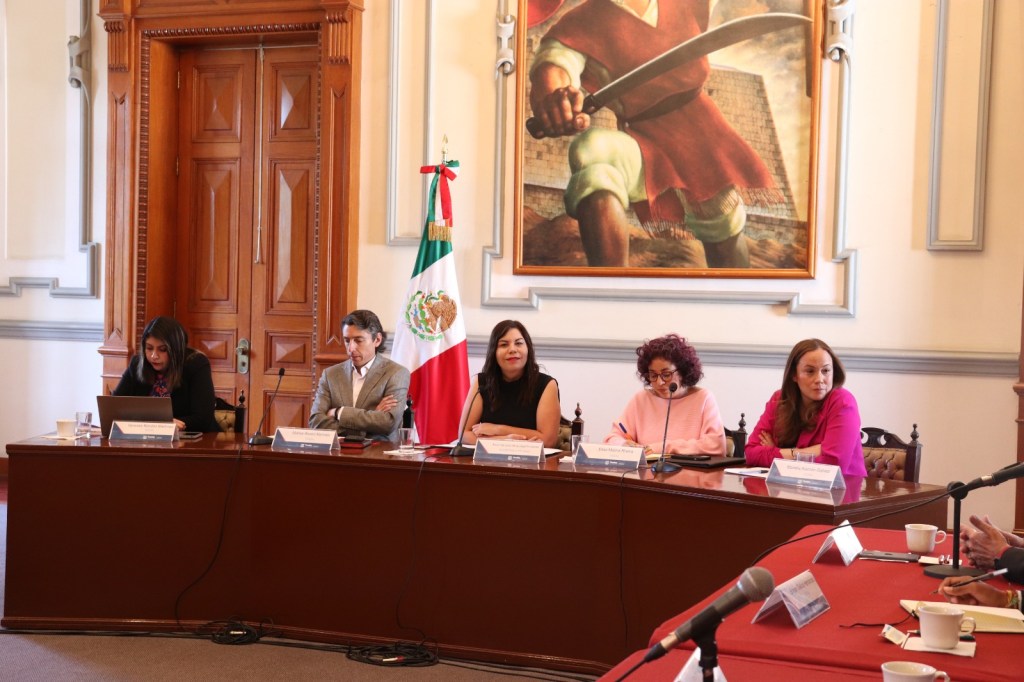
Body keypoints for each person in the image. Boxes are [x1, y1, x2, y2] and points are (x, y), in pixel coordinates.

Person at [528, 0, 784, 268]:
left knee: (723, 231)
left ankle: (735, 291)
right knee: (592, 149)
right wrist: (554, 100)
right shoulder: (581, 22)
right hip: (643, 145)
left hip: (704, 139)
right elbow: (555, 65)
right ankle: (611, 283)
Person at [745, 339, 866, 476]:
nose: (819, 379)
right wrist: (809, 452)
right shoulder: (779, 399)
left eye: (826, 370)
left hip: (842, 487)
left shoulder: (843, 402)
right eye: (810, 371)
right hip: (787, 487)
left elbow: (832, 464)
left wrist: (777, 453)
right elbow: (751, 453)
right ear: (794, 375)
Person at [603, 334, 725, 455]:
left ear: (683, 371)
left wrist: (662, 448)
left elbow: (716, 445)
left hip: (686, 468)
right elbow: (611, 439)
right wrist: (624, 445)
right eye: (653, 375)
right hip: (646, 468)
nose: (659, 382)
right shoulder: (641, 399)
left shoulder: (703, 398)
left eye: (666, 375)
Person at [310, 310, 410, 443]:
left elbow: (388, 423)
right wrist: (372, 420)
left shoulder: (396, 373)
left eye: (358, 340)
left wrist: (339, 412)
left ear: (377, 340)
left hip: (378, 453)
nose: (351, 348)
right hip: (338, 452)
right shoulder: (330, 374)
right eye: (347, 341)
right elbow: (316, 423)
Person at [459, 320, 561, 448]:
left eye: (518, 343)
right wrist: (505, 440)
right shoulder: (481, 382)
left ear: (528, 348)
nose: (512, 349)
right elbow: (463, 435)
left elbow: (548, 440)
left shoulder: (546, 385)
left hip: (530, 459)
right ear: (494, 352)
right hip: (488, 459)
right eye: (504, 344)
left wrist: (498, 429)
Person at [113, 316, 218, 432]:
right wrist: (157, 425)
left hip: (195, 439)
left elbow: (203, 419)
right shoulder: (137, 364)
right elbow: (114, 406)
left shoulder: (196, 364)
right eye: (149, 348)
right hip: (144, 438)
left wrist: (166, 425)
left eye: (162, 349)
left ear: (176, 350)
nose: (154, 356)